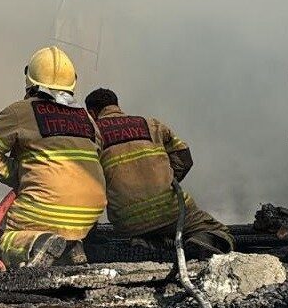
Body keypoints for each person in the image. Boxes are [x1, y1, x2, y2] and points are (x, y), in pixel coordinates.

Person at [0, 46, 106, 268]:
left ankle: (38, 242)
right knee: (66, 231)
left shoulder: (20, 111)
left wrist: (18, 175)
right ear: (73, 82)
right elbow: (94, 158)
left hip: (44, 212)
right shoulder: (86, 118)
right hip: (88, 218)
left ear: (29, 79)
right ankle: (71, 247)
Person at [84, 87, 233, 256]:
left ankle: (148, 241)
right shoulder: (151, 124)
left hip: (127, 222)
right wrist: (166, 181)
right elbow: (184, 157)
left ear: (91, 113)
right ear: (116, 106)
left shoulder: (91, 136)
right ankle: (201, 241)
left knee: (144, 232)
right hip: (171, 210)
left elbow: (87, 182)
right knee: (217, 230)